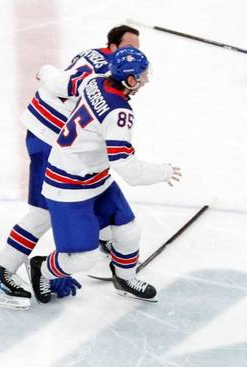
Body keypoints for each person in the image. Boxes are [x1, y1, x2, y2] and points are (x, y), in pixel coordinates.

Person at [0, 24, 141, 309]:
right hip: (50, 140)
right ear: (114, 47)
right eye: (129, 48)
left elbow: (57, 78)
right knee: (44, 209)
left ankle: (101, 239)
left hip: (55, 138)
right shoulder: (102, 74)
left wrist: (45, 70)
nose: (135, 53)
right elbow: (62, 84)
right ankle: (2, 271)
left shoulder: (97, 56)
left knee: (94, 187)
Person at [30, 46, 181, 306]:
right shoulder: (119, 114)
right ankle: (41, 268)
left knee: (128, 230)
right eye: (142, 75)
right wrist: (163, 172)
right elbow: (128, 169)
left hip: (94, 176)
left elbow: (59, 81)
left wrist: (44, 71)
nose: (145, 80)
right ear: (130, 79)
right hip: (67, 185)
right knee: (83, 257)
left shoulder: (94, 81)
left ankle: (124, 278)